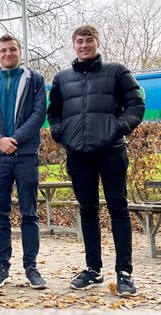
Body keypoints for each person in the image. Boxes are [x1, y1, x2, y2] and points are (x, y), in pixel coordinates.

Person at [47, 25, 145, 297]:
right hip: (78, 155)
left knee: (118, 209)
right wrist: (59, 132)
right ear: (74, 45)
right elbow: (53, 113)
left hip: (112, 151)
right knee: (87, 210)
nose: (84, 45)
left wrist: (119, 128)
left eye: (89, 40)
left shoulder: (117, 72)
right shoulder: (62, 78)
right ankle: (93, 269)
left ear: (97, 42)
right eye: (80, 41)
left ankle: (124, 273)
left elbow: (136, 105)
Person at [0, 34, 47, 289]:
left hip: (26, 155)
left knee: (29, 213)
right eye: (3, 50)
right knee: (0, 213)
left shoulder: (34, 79)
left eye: (12, 49)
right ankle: (1, 267)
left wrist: (14, 139)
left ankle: (31, 268)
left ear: (19, 51)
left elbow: (39, 114)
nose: (8, 53)